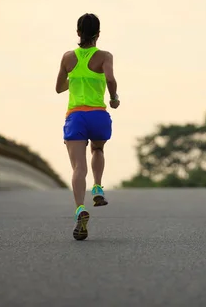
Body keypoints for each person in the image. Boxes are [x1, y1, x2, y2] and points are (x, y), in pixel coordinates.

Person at [55, 13, 120, 241]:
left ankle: (80, 209)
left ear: (77, 33)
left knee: (77, 169)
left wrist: (75, 79)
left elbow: (59, 87)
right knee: (98, 150)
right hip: (98, 115)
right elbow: (110, 79)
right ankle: (98, 188)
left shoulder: (67, 57)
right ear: (98, 34)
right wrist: (113, 98)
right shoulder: (104, 56)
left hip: (75, 117)